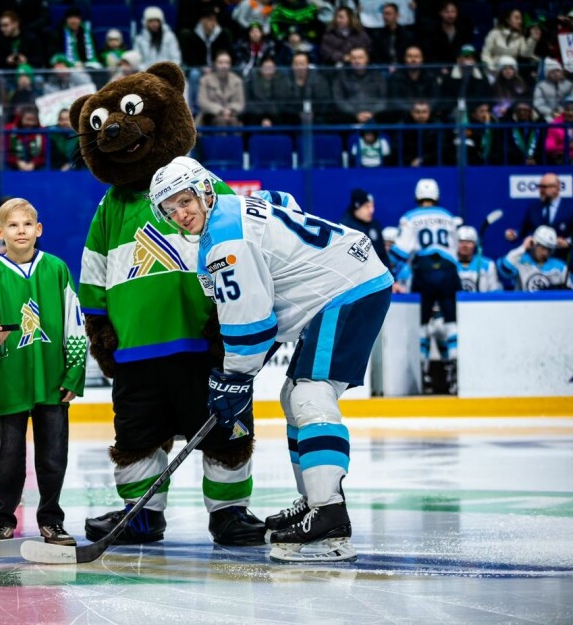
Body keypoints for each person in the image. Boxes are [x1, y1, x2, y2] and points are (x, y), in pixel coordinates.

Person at [148, 156, 393, 563]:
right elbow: (282, 201)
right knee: (293, 394)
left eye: (184, 201)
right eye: (169, 210)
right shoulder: (229, 211)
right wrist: (240, 373)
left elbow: (250, 325)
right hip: (348, 279)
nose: (180, 214)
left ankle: (329, 515)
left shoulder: (225, 241)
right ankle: (314, 501)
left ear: (205, 191)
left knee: (311, 395)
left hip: (350, 287)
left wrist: (235, 378)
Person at [0, 197, 87, 545]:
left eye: (26, 224)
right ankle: (3, 519)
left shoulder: (57, 269)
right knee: (8, 455)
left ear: (38, 230)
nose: (20, 231)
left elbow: (74, 324)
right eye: (12, 225)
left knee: (53, 455)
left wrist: (74, 372)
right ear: (0, 232)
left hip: (52, 379)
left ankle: (51, 519)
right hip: (11, 377)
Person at [388, 178, 461, 392]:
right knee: (450, 321)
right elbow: (455, 249)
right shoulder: (448, 216)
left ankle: (423, 370)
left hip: (424, 271)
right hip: (448, 271)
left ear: (417, 197)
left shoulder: (410, 217)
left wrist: (388, 268)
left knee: (421, 323)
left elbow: (401, 250)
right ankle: (454, 366)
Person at [497, 225, 572, 291]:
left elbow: (570, 292)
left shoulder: (560, 267)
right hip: (522, 305)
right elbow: (504, 269)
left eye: (549, 249)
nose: (545, 253)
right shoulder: (520, 260)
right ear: (534, 244)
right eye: (542, 247)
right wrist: (523, 247)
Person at [340, 188, 391, 270]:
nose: (372, 210)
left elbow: (382, 256)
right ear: (357, 207)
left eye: (372, 206)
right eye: (367, 207)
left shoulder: (374, 225)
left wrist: (391, 279)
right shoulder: (345, 229)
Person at [455, 226, 500, 293]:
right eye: (461, 241)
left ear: (475, 244)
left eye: (469, 242)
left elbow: (495, 292)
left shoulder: (488, 265)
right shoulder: (449, 264)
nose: (464, 245)